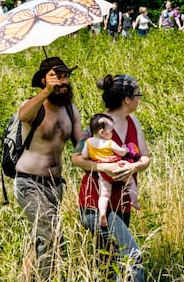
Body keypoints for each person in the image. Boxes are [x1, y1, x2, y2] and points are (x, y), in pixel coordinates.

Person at [72, 74, 150, 282]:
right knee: (132, 257)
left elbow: (146, 157)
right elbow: (76, 158)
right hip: (95, 205)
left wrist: (133, 167)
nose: (138, 99)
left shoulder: (133, 122)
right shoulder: (98, 124)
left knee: (110, 265)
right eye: (137, 95)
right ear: (127, 99)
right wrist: (104, 166)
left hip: (122, 203)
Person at [14, 57, 82, 280]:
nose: (64, 82)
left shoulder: (71, 110)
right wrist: (45, 92)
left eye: (66, 77)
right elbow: (23, 115)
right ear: (45, 79)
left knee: (44, 237)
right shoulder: (34, 106)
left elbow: (80, 145)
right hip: (29, 183)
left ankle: (28, 277)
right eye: (58, 77)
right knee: (49, 235)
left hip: (55, 187)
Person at [81, 113, 139, 227]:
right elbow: (121, 152)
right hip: (116, 168)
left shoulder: (88, 142)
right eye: (111, 130)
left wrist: (94, 156)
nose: (112, 133)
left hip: (103, 172)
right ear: (102, 132)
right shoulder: (110, 143)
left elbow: (84, 155)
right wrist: (125, 150)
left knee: (104, 194)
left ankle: (102, 212)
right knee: (130, 181)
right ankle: (134, 200)